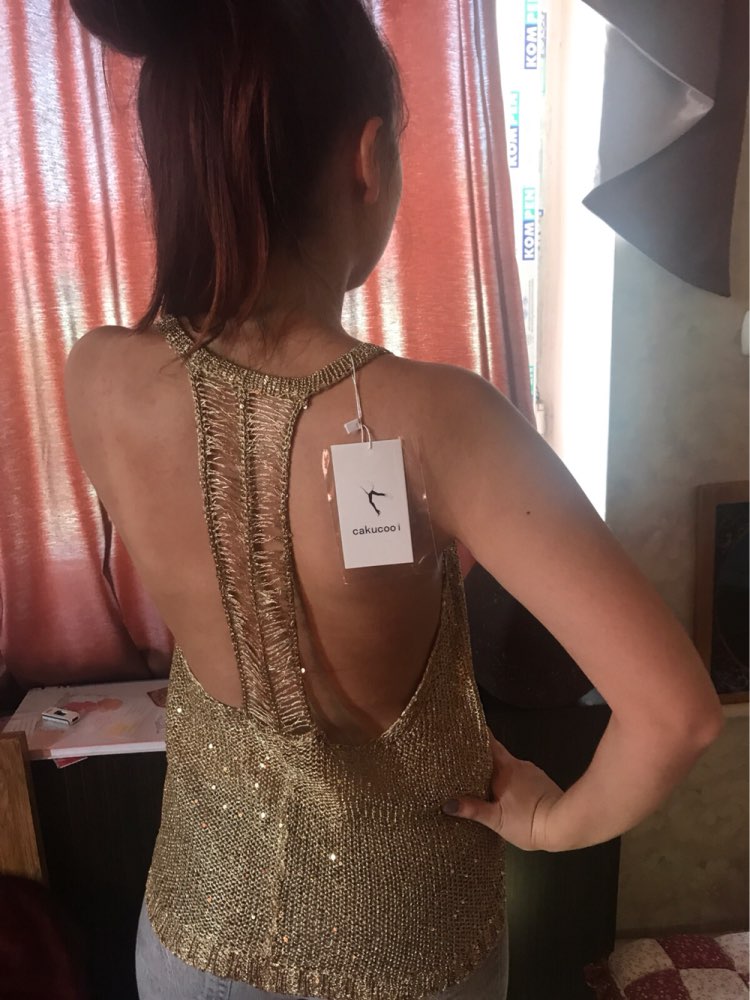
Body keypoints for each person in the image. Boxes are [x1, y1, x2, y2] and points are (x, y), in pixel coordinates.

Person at [65, 1, 725, 998]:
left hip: (193, 941)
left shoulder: (98, 377)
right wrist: (551, 823)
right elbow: (677, 714)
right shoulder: (438, 420)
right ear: (367, 159)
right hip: (409, 953)